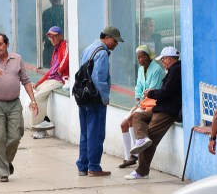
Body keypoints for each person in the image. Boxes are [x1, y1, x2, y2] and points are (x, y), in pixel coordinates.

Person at [0, 33, 39, 182]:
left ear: (7, 44)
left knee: (16, 135)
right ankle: (2, 172)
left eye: (0, 44)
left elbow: (25, 80)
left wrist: (33, 101)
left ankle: (4, 162)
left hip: (14, 103)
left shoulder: (17, 59)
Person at [126, 46, 182, 180]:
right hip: (161, 107)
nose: (162, 63)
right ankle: (141, 138)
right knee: (137, 116)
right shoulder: (172, 70)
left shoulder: (176, 71)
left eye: (163, 60)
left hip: (167, 111)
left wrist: (151, 93)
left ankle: (141, 171)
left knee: (150, 138)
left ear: (168, 59)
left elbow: (166, 93)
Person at [76, 26, 122, 177]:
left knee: (85, 133)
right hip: (95, 99)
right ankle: (94, 167)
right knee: (96, 133)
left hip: (83, 97)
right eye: (115, 41)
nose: (116, 44)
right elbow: (99, 79)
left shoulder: (89, 48)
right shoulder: (102, 53)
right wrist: (105, 98)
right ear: (107, 38)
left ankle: (83, 165)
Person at [118, 44, 165, 169]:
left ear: (149, 57)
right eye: (138, 57)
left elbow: (152, 90)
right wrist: (137, 99)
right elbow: (139, 86)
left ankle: (135, 155)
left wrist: (140, 103)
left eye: (143, 57)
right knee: (123, 124)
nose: (140, 60)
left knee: (132, 119)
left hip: (152, 103)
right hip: (142, 102)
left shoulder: (157, 70)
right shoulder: (140, 69)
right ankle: (129, 156)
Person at [32, 26, 69, 139]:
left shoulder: (64, 45)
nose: (52, 39)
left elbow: (67, 58)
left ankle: (39, 128)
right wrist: (38, 82)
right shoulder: (55, 50)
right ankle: (44, 120)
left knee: (37, 98)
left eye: (54, 36)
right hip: (52, 79)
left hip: (60, 80)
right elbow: (51, 71)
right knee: (33, 94)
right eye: (50, 37)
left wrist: (60, 70)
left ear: (60, 36)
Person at [41, 0, 64, 67]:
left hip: (50, 47)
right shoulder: (65, 11)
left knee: (48, 67)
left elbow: (44, 31)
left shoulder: (47, 13)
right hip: (63, 44)